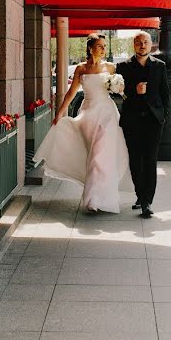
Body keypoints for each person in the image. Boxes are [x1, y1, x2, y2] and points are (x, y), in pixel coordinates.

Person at [35, 34, 128, 214]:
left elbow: (122, 89)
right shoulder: (81, 69)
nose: (102, 49)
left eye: (103, 46)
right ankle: (98, 195)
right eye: (99, 46)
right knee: (93, 155)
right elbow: (71, 93)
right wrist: (59, 113)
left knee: (100, 155)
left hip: (107, 114)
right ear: (90, 48)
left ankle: (94, 199)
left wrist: (118, 87)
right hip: (88, 113)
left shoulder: (110, 67)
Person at [116, 32, 169, 219]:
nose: (142, 45)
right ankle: (140, 194)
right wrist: (133, 90)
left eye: (146, 42)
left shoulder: (160, 66)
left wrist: (163, 116)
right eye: (139, 42)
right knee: (135, 160)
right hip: (132, 120)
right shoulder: (122, 67)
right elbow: (117, 93)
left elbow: (165, 94)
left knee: (150, 160)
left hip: (154, 121)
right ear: (134, 45)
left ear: (151, 44)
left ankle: (147, 201)